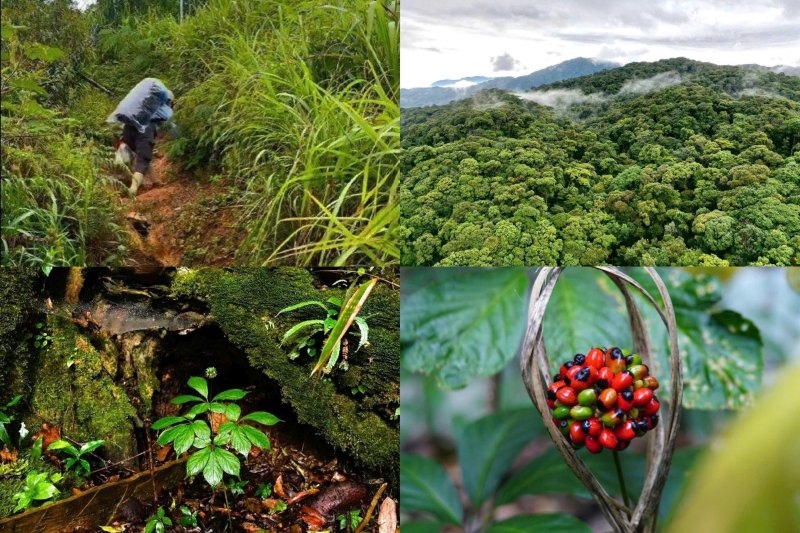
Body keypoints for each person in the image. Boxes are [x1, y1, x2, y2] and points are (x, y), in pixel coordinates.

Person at [107, 78, 177, 195]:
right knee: (143, 160)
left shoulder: (144, 106)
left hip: (128, 129)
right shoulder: (162, 109)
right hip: (145, 131)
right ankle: (133, 190)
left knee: (144, 155)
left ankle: (155, 181)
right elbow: (171, 127)